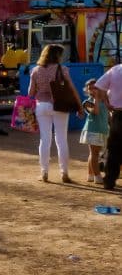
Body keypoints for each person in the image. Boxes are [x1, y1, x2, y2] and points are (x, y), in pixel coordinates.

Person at [28, 44, 76, 183]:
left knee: (45, 139)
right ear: (57, 55)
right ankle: (64, 173)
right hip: (59, 105)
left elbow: (30, 93)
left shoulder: (36, 70)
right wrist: (78, 106)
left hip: (42, 105)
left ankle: (44, 173)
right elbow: (71, 89)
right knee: (61, 139)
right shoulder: (63, 69)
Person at [88, 62, 122, 190]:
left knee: (114, 149)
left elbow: (98, 87)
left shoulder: (115, 70)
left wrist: (107, 103)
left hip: (118, 113)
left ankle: (109, 180)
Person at [80, 83, 109, 185]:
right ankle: (97, 176)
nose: (93, 90)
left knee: (94, 154)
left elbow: (107, 115)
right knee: (94, 153)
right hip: (92, 130)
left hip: (103, 131)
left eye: (95, 88)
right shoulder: (87, 102)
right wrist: (96, 97)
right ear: (87, 90)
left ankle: (90, 175)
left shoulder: (104, 100)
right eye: (90, 88)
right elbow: (95, 111)